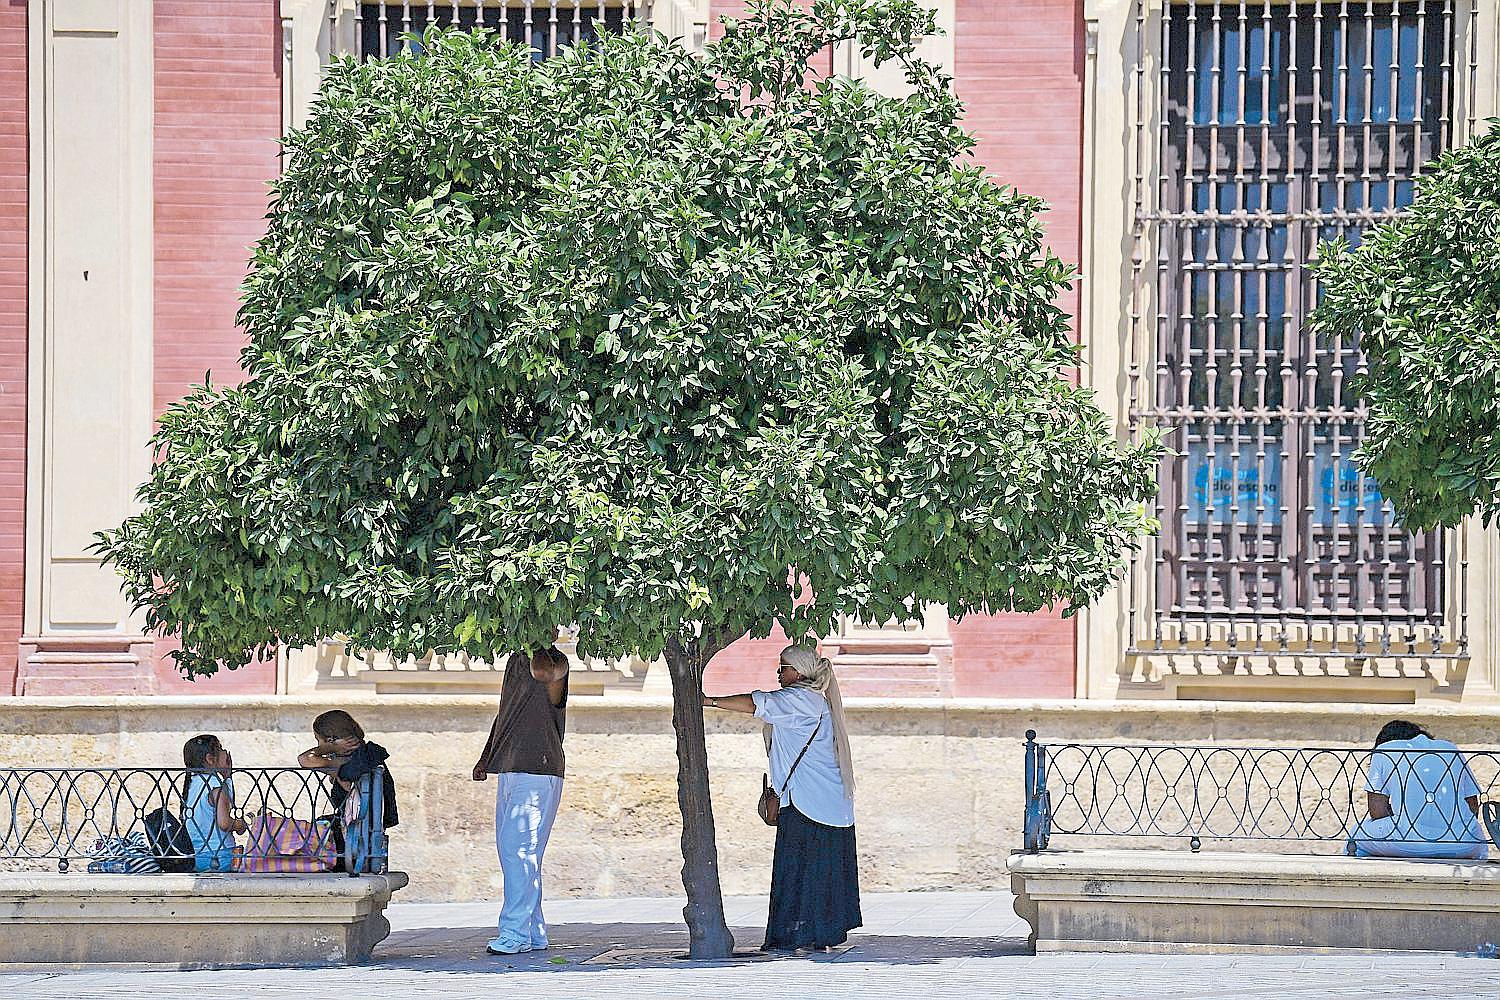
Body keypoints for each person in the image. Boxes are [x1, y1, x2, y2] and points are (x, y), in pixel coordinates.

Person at [705, 643, 862, 952]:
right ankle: (818, 936)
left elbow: (755, 703)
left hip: (808, 803)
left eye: (783, 668)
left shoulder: (800, 700)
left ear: (800, 671)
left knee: (795, 873)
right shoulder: (813, 702)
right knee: (818, 874)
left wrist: (707, 701)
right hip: (824, 804)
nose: (779, 674)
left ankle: (792, 937)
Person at [472, 646, 570, 955]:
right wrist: (487, 757)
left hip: (538, 769)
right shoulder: (515, 660)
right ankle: (533, 931)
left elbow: (545, 673)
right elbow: (506, 713)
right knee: (517, 853)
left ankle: (513, 933)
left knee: (519, 851)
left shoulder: (554, 660)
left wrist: (539, 639)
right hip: (511, 768)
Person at [1350, 719, 1488, 861]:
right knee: (1477, 839)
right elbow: (1472, 806)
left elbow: (1377, 813)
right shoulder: (1450, 748)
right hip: (1465, 843)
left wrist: (1399, 819)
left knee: (1355, 834)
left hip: (1407, 842)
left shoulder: (1385, 749)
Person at [298, 709, 399, 873]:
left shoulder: (355, 761)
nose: (319, 746)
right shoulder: (364, 756)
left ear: (331, 739)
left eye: (319, 741)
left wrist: (325, 748)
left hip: (353, 841)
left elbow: (305, 759)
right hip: (360, 836)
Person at [182, 734, 246, 873]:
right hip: (220, 856)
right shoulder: (215, 786)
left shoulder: (193, 784)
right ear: (210, 759)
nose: (225, 751)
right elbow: (224, 823)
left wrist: (227, 776)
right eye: (221, 748)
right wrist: (240, 824)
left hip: (197, 856)